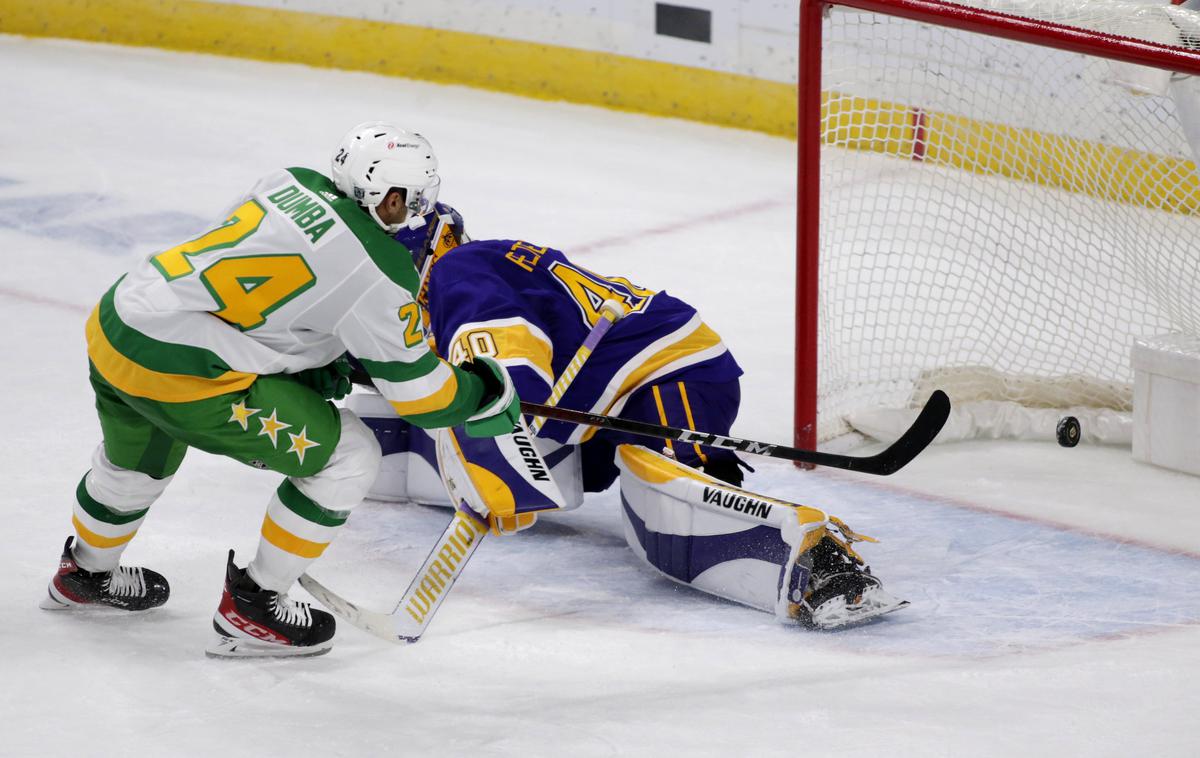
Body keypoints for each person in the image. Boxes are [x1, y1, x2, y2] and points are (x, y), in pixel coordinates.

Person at [39, 122, 520, 658]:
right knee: (349, 456)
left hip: (121, 322)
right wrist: (484, 394)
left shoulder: (287, 182)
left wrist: (302, 359)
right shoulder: (381, 273)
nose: (419, 212)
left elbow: (253, 293)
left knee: (139, 457)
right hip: (188, 373)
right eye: (415, 199)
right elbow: (421, 396)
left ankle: (84, 573)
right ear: (390, 197)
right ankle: (255, 607)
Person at [348, 214, 907, 629]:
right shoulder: (476, 267)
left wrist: (496, 449)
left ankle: (826, 564)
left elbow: (511, 371)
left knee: (660, 488)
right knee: (589, 473)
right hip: (612, 393)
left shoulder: (456, 272)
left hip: (670, 370)